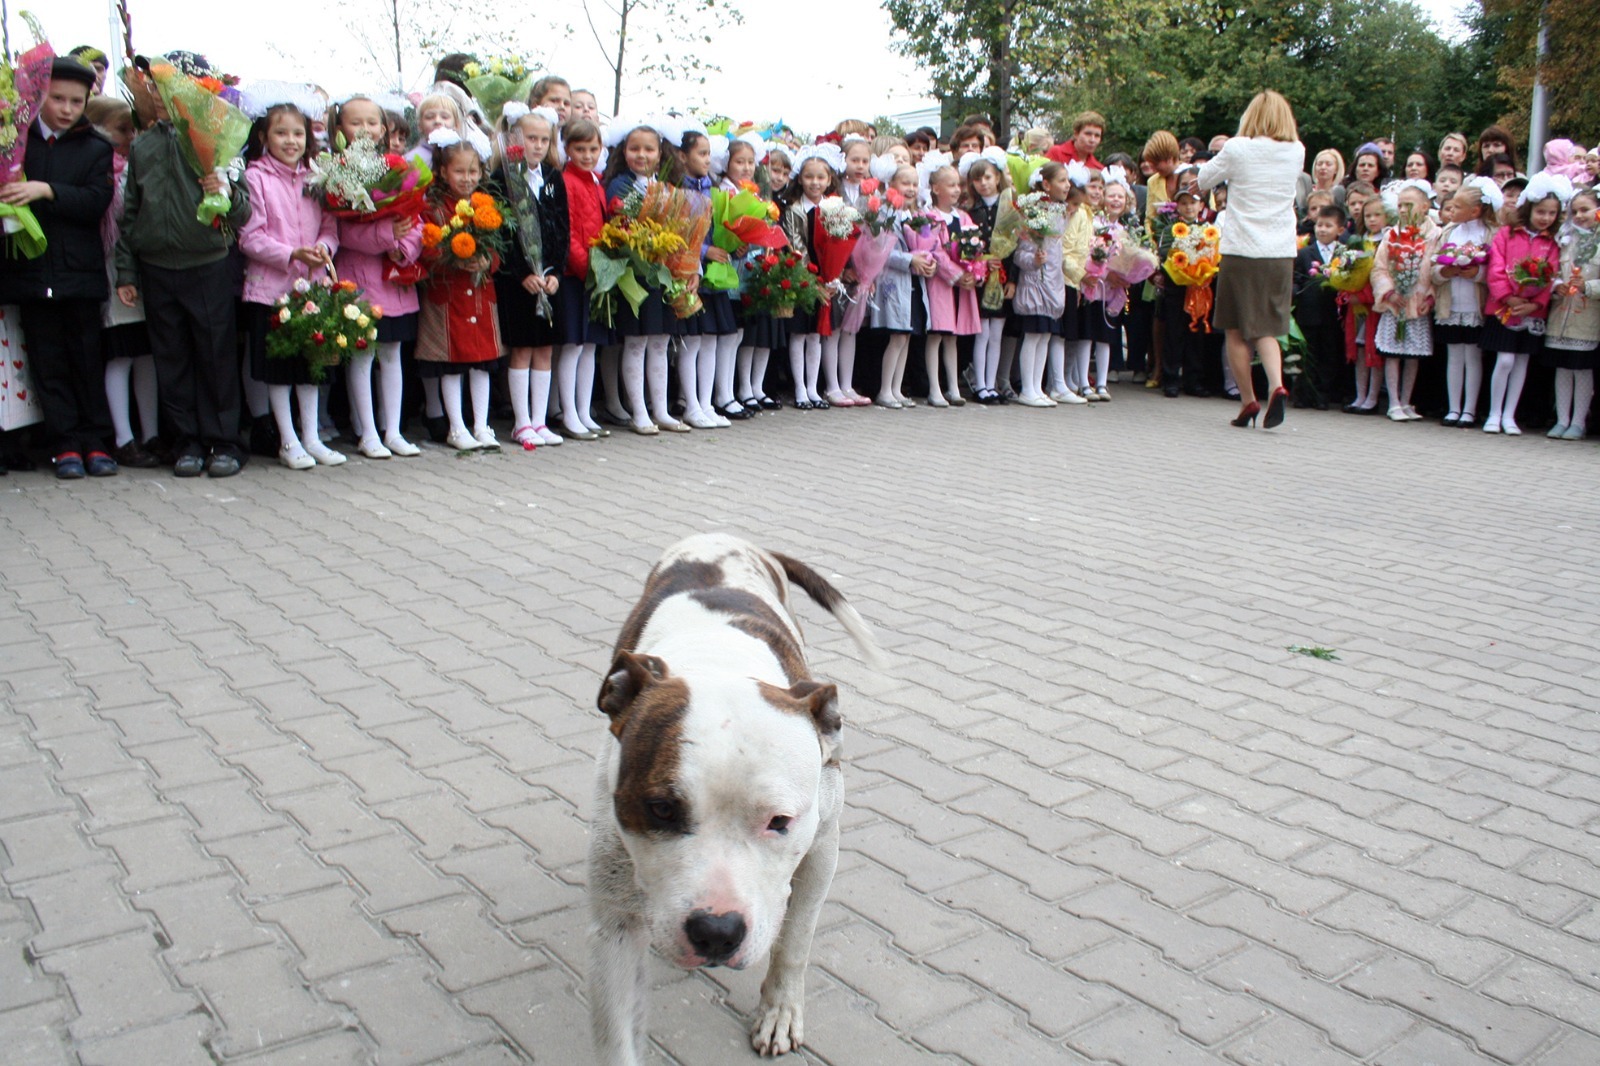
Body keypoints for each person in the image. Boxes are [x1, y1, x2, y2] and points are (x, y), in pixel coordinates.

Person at [116, 54, 253, 477]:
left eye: (171, 86)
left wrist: (224, 190)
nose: (160, 95)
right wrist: (127, 271)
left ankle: (224, 442)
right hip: (157, 268)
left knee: (215, 357)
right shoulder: (142, 145)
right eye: (155, 86)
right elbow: (130, 214)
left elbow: (243, 212)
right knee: (171, 359)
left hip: (207, 264)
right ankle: (187, 442)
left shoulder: (214, 137)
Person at [0, 57, 116, 479]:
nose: (67, 109)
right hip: (31, 271)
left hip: (78, 272)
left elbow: (95, 201)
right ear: (38, 97)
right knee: (47, 361)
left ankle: (96, 441)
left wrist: (47, 190)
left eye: (76, 101)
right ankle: (64, 444)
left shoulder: (96, 147)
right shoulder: (15, 142)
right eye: (57, 98)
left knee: (86, 359)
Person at [238, 85, 344, 469]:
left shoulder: (316, 177)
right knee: (279, 370)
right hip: (271, 290)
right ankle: (287, 440)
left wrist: (323, 248)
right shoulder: (255, 177)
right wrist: (290, 254)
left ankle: (311, 437)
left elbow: (331, 227)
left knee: (310, 366)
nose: (291, 141)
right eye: (281, 133)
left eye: (298, 133)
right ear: (264, 136)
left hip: (311, 288)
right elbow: (250, 236)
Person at [1195, 90, 1305, 429]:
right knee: (1266, 325)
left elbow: (1203, 179)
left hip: (1242, 248)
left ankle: (1248, 401)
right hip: (1280, 251)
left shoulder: (1238, 148)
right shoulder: (1296, 151)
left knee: (1236, 329)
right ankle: (1276, 385)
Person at [332, 95, 424, 457]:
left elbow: (415, 219)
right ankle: (367, 432)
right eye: (356, 123)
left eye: (372, 123)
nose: (365, 130)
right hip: (359, 281)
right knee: (361, 355)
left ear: (384, 129)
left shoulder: (396, 167)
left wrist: (403, 248)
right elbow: (341, 231)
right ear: (341, 128)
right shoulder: (338, 172)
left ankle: (393, 429)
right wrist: (386, 235)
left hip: (393, 280)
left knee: (391, 354)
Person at [86, 95, 161, 468]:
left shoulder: (137, 165)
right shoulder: (102, 170)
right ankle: (123, 437)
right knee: (122, 353)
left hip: (143, 269)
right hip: (115, 270)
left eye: (133, 129)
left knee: (146, 353)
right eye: (121, 129)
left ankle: (152, 433)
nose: (130, 136)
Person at [418, 131, 503, 450]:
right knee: (451, 364)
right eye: (459, 171)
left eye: (473, 171)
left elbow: (497, 247)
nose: (467, 178)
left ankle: (481, 425)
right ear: (443, 172)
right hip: (448, 295)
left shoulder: (486, 206)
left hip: (480, 295)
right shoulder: (435, 208)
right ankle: (456, 427)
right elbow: (427, 249)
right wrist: (452, 259)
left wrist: (487, 260)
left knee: (482, 362)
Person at [603, 120, 684, 432]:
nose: (642, 155)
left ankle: (661, 410)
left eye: (649, 149)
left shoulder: (668, 187)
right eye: (634, 148)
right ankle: (638, 412)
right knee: (636, 342)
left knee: (661, 342)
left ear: (660, 154)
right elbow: (620, 225)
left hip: (663, 273)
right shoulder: (619, 186)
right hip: (634, 272)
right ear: (624, 152)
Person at [496, 105, 568, 448]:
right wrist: (521, 272)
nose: (538, 146)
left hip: (548, 281)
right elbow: (504, 233)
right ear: (515, 138)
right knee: (522, 349)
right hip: (520, 283)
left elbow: (561, 229)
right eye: (531, 138)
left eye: (544, 140)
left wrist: (556, 272)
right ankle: (521, 422)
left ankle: (540, 421)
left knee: (544, 350)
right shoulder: (503, 179)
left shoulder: (553, 178)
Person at [1480, 173, 1567, 434]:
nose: (1545, 218)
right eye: (1541, 211)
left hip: (1531, 312)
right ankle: (1494, 413)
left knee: (1521, 363)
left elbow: (1551, 275)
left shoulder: (1551, 242)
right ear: (1529, 208)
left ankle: (1510, 415)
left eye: (1551, 213)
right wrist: (1508, 296)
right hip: (1504, 308)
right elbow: (1495, 268)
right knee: (1505, 360)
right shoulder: (1506, 234)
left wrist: (1536, 304)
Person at [554, 117, 610, 440]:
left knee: (589, 346)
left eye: (592, 149)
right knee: (573, 346)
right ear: (567, 149)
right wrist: (588, 268)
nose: (587, 155)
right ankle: (569, 413)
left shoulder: (596, 183)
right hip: (576, 275)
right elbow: (570, 231)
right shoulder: (567, 182)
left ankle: (584, 410)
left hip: (595, 275)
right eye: (580, 149)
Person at [1432, 176, 1500, 426]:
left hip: (1474, 305)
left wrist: (1478, 273)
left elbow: (1496, 270)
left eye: (1458, 207)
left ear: (1475, 210)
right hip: (1451, 304)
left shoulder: (1489, 234)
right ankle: (1453, 408)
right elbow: (1432, 268)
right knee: (1454, 356)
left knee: (1472, 357)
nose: (1452, 211)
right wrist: (1444, 272)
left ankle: (1469, 409)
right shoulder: (1448, 232)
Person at [779, 145, 842, 410]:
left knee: (816, 335)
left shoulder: (835, 209)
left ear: (829, 180)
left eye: (820, 177)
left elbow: (840, 244)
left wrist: (833, 277)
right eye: (809, 177)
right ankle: (799, 389)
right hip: (803, 279)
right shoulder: (793, 210)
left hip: (825, 280)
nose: (815, 182)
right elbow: (796, 247)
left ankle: (814, 388)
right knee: (799, 334)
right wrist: (814, 279)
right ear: (800, 179)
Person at [1370, 181, 1439, 420]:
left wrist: (1430, 297)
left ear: (1424, 206)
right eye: (1400, 205)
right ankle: (1393, 403)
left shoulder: (1435, 235)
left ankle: (1407, 401)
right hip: (1396, 304)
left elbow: (1436, 269)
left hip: (1418, 303)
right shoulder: (1391, 235)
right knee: (1393, 353)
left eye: (1408, 205)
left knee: (1413, 356)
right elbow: (1379, 268)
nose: (1402, 210)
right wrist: (1390, 292)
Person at [1540, 186, 1597, 439]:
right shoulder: (1564, 239)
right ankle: (1562, 419)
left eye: (1585, 209)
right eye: (1575, 211)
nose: (1580, 215)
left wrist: (1588, 286)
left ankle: (1578, 422)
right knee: (1562, 368)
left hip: (1587, 316)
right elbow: (1550, 270)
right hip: (1561, 314)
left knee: (1581, 370)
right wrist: (1555, 286)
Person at [923, 164, 979, 406]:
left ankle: (953, 387)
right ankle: (934, 388)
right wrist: (956, 274)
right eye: (951, 185)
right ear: (936, 189)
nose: (957, 190)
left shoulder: (963, 217)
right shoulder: (929, 217)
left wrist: (974, 273)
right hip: (941, 284)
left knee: (952, 337)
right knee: (936, 334)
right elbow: (935, 250)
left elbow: (975, 248)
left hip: (960, 287)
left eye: (958, 185)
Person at [1292, 205, 1346, 409]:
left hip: (1333, 313)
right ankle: (1303, 394)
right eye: (1319, 225)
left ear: (1340, 230)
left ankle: (1323, 394)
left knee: (1329, 353)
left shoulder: (1344, 253)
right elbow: (1297, 278)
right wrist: (1296, 293)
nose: (1322, 229)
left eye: (1328, 226)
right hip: (1309, 311)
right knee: (1308, 353)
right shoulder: (1305, 253)